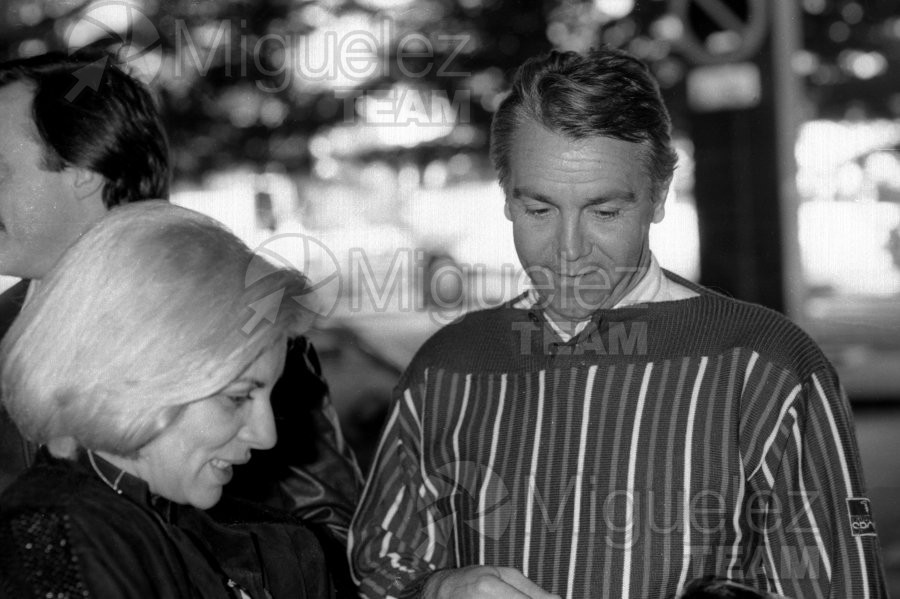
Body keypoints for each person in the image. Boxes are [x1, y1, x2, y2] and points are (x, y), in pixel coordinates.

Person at [349, 47, 888, 598]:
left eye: (604, 212)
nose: (569, 249)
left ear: (658, 196)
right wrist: (439, 588)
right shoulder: (447, 367)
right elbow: (378, 559)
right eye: (539, 210)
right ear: (506, 196)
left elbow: (840, 584)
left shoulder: (767, 369)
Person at [0, 50, 362, 540]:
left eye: (0, 169)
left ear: (85, 167)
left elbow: (327, 533)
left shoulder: (249, 320)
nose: (258, 429)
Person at [0, 202, 341, 597]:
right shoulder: (58, 544)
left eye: (270, 395)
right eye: (237, 398)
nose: (266, 435)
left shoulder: (268, 544)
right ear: (134, 376)